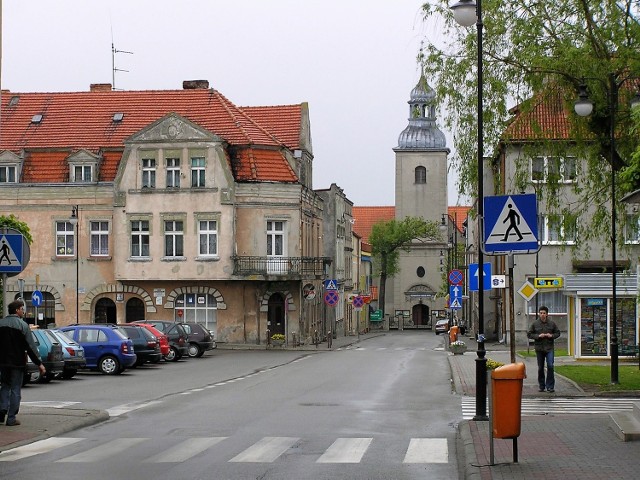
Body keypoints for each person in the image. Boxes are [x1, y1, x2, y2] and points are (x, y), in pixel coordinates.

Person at [0, 300, 46, 426]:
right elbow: (30, 347)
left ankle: (2, 409)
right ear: (17, 310)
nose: (23, 311)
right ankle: (11, 418)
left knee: (4, 386)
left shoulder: (1, 324)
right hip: (17, 363)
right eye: (22, 309)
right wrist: (39, 363)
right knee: (15, 389)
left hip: (3, 362)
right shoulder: (23, 326)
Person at [527, 306, 560, 393]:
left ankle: (550, 386)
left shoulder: (552, 323)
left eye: (544, 313)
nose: (542, 315)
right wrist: (538, 336)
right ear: (539, 314)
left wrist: (551, 335)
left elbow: (557, 333)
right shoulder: (535, 324)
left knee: (550, 366)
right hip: (539, 348)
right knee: (540, 367)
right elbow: (529, 334)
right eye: (541, 313)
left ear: (547, 314)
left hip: (549, 348)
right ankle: (542, 386)